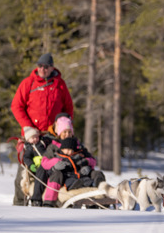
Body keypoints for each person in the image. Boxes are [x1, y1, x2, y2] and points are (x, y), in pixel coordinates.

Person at [11, 53, 74, 205]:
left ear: (52, 67)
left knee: (56, 168)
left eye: (46, 67)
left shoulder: (59, 84)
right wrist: (28, 128)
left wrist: (63, 128)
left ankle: (54, 202)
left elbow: (68, 109)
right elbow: (16, 106)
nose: (42, 69)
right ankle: (19, 204)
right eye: (40, 66)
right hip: (32, 136)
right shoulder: (29, 83)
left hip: (52, 137)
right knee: (24, 173)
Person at [40, 119, 105, 207]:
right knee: (61, 176)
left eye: (69, 132)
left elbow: (92, 160)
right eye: (65, 132)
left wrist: (87, 163)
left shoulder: (78, 146)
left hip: (78, 173)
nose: (67, 134)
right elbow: (44, 162)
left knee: (96, 174)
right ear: (60, 132)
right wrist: (56, 164)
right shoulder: (53, 146)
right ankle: (49, 201)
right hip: (63, 175)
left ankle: (101, 194)